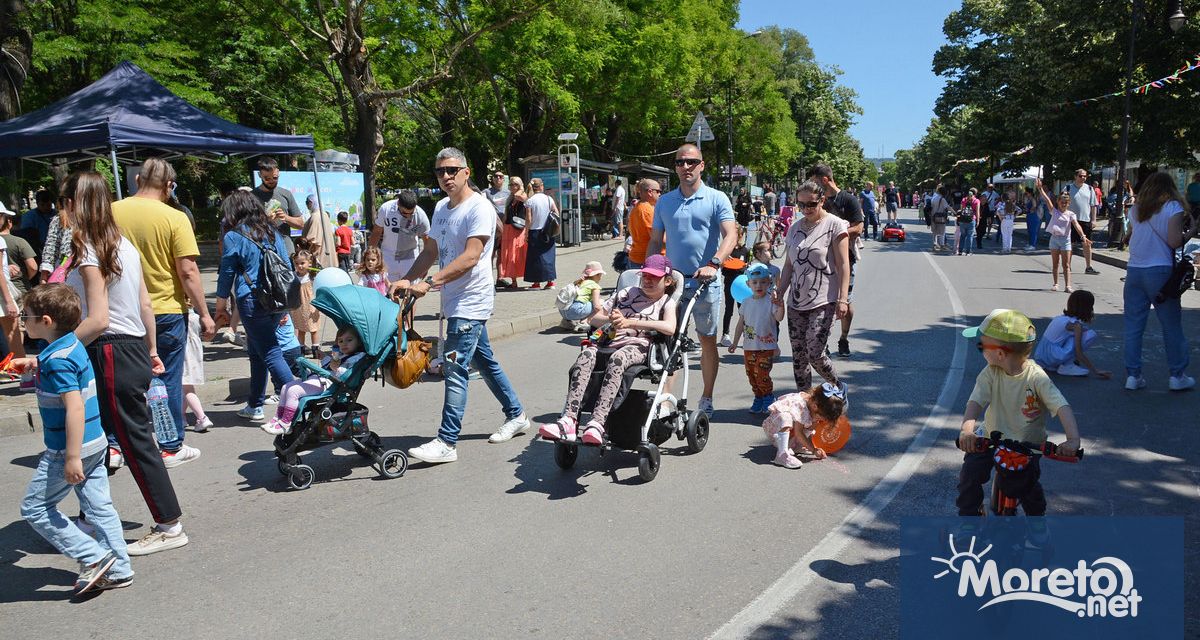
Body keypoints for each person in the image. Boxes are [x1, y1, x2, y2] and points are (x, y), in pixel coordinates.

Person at [58, 171, 192, 556]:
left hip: (110, 348)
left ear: (72, 204)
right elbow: (144, 305)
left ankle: (169, 524)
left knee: (132, 442)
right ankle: (92, 513)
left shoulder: (89, 248)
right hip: (129, 346)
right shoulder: (122, 245)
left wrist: (58, 350)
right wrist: (150, 350)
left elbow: (99, 318)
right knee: (101, 440)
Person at [388, 147, 529, 461]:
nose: (446, 176)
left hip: (471, 302)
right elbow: (430, 252)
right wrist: (408, 279)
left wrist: (429, 283)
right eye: (440, 171)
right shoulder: (440, 207)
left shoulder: (479, 207)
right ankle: (517, 415)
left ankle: (446, 442)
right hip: (454, 300)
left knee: (453, 368)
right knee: (487, 362)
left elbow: (471, 256)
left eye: (452, 170)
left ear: (466, 172)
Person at [14, 284, 134, 593]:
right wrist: (33, 364)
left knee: (35, 509)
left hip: (70, 448)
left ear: (46, 321)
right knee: (98, 507)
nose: (22, 320)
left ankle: (93, 557)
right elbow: (66, 374)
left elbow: (75, 406)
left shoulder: (56, 360)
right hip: (96, 442)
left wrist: (71, 456)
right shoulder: (68, 347)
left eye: (26, 316)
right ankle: (119, 568)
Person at [111, 158, 213, 467]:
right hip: (166, 309)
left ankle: (115, 446)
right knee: (167, 377)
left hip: (120, 310)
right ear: (170, 186)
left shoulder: (112, 212)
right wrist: (205, 313)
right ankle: (170, 446)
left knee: (121, 381)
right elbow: (188, 271)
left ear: (138, 178)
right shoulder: (175, 217)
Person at [956, 309, 1082, 523]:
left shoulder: (1037, 378)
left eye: (982, 345)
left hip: (1027, 446)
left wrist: (1072, 440)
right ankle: (970, 519)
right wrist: (967, 431)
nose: (981, 349)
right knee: (969, 476)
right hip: (990, 439)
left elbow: (1061, 406)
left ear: (1000, 353)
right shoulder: (990, 373)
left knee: (1026, 486)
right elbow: (975, 402)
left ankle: (1037, 522)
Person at [538, 254, 677, 443]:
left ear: (667, 280)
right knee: (586, 354)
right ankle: (569, 420)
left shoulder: (666, 302)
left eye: (654, 277)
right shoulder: (626, 293)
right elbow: (594, 319)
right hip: (609, 341)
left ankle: (597, 422)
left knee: (618, 358)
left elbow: (670, 328)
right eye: (645, 275)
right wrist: (611, 318)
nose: (648, 280)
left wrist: (631, 322)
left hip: (639, 345)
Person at [646, 143, 739, 417]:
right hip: (673, 282)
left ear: (702, 165)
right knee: (670, 340)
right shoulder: (664, 201)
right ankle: (665, 400)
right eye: (680, 162)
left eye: (691, 162)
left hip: (705, 283)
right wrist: (649, 271)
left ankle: (706, 398)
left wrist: (714, 263)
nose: (685, 167)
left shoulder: (716, 198)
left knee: (707, 340)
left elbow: (730, 236)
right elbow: (654, 241)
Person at [215, 190, 296, 422]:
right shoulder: (273, 232)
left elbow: (227, 274)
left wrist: (220, 307)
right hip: (275, 299)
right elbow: (286, 269)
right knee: (256, 352)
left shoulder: (233, 236)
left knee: (269, 351)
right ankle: (255, 404)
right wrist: (284, 308)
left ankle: (299, 399)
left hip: (251, 300)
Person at [1122, 171, 1195, 392]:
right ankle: (1177, 375)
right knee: (1171, 325)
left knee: (1133, 326)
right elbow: (1174, 242)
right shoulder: (1172, 207)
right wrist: (1192, 231)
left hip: (1134, 270)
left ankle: (1133, 376)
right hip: (1160, 271)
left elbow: (1133, 235)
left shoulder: (1137, 209)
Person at [777, 180, 850, 392]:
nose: (805, 209)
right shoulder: (795, 229)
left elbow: (844, 264)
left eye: (810, 204)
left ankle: (838, 387)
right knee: (799, 356)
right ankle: (804, 402)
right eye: (800, 205)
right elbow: (789, 265)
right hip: (796, 302)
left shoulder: (835, 225)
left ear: (822, 201)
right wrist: (780, 291)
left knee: (815, 352)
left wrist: (843, 298)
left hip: (823, 300)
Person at [262, 326, 366, 435]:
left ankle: (285, 424)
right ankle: (278, 418)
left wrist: (336, 366)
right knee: (285, 387)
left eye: (349, 340)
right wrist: (325, 357)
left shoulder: (357, 357)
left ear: (358, 342)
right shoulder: (342, 354)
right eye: (341, 341)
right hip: (322, 378)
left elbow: (342, 373)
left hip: (331, 383)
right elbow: (330, 366)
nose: (344, 344)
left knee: (293, 391)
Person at [808, 163, 863, 358]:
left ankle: (844, 338)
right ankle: (823, 344)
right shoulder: (819, 201)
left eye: (815, 181)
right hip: (821, 262)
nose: (813, 186)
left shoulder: (848, 199)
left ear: (824, 180)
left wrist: (834, 234)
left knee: (844, 303)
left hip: (844, 260)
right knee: (823, 303)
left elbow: (858, 228)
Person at [727, 263, 785, 414]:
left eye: (763, 282)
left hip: (766, 346)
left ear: (769, 283)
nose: (759, 285)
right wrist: (734, 342)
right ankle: (758, 397)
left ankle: (768, 397)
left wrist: (781, 305)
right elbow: (741, 323)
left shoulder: (770, 301)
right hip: (749, 346)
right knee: (752, 375)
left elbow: (779, 318)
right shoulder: (746, 302)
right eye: (755, 282)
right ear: (748, 284)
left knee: (762, 374)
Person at [761, 382, 847, 469]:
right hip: (774, 428)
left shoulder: (813, 404)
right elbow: (799, 432)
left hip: (792, 431)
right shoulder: (801, 406)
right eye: (821, 416)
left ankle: (796, 445)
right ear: (815, 406)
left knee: (815, 421)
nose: (822, 420)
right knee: (785, 418)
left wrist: (811, 445)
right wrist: (813, 450)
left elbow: (806, 427)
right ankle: (782, 455)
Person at [1034, 290, 1109, 379]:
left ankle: (1056, 364)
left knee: (1083, 332)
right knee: (1091, 335)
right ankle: (1067, 366)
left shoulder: (1061, 318)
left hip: (1041, 356)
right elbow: (1079, 352)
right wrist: (1096, 370)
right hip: (1051, 357)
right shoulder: (1076, 325)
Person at [1035, 178, 1089, 292]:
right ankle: (1055, 284)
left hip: (1065, 240)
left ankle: (1068, 286)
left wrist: (1083, 236)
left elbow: (1076, 225)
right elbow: (1047, 199)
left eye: (1066, 202)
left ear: (1069, 203)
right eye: (1061, 202)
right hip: (1054, 239)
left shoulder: (1071, 214)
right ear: (1058, 202)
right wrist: (1040, 188)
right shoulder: (1054, 211)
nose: (1063, 204)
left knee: (1066, 264)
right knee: (1055, 264)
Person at [369, 190, 430, 281]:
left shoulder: (421, 215)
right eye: (405, 213)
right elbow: (377, 232)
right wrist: (370, 255)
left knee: (409, 292)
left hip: (410, 259)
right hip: (388, 257)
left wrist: (425, 265)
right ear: (398, 204)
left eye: (411, 213)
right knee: (387, 291)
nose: (409, 216)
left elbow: (428, 242)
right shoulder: (385, 209)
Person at [1, 206, 36, 361]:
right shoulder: (8, 241)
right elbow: (33, 266)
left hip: (6, 291)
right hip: (7, 292)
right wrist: (9, 300)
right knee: (14, 333)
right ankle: (22, 372)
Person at [251, 156, 304, 255]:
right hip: (261, 249)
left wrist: (285, 217)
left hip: (286, 249)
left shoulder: (286, 194)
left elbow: (301, 224)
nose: (271, 181)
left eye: (275, 177)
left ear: (278, 172)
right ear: (259, 175)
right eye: (267, 178)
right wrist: (265, 220)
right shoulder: (251, 196)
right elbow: (246, 226)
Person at [523, 177, 559, 289]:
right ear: (542, 186)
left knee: (535, 258)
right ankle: (550, 282)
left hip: (535, 232)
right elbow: (556, 212)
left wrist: (526, 232)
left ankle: (536, 283)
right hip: (548, 231)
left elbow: (528, 218)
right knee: (549, 257)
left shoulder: (530, 201)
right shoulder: (549, 199)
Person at [182, 308, 212, 433]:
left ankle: (201, 417)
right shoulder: (193, 316)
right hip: (192, 351)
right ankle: (181, 416)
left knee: (186, 386)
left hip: (183, 352)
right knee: (185, 385)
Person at [719, 232, 751, 346]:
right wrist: (724, 263)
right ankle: (725, 334)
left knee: (743, 311)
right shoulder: (727, 250)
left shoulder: (745, 250)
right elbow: (722, 270)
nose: (737, 237)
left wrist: (746, 266)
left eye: (739, 234)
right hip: (729, 283)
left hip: (742, 285)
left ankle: (747, 334)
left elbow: (747, 266)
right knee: (729, 309)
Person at [497, 176, 528, 288]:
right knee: (509, 256)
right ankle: (513, 281)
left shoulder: (522, 195)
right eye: (510, 185)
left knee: (518, 255)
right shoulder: (510, 199)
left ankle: (525, 277)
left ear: (520, 185)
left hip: (519, 230)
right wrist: (502, 230)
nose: (513, 187)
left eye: (515, 184)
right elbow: (506, 215)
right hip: (509, 228)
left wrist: (521, 188)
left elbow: (519, 196)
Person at [1067, 169, 1100, 275]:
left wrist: (1094, 220)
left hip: (1085, 220)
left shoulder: (1090, 189)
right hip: (1071, 220)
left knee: (1087, 244)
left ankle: (1088, 267)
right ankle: (1068, 266)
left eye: (1085, 176)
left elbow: (1093, 205)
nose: (1083, 178)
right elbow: (1062, 203)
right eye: (1081, 176)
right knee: (1069, 244)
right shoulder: (1068, 188)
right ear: (1075, 176)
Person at [291, 249, 320, 355]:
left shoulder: (312, 276)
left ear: (310, 263)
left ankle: (315, 349)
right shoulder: (293, 276)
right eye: (297, 263)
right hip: (298, 306)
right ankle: (301, 348)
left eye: (303, 263)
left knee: (313, 328)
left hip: (311, 305)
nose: (300, 266)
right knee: (300, 329)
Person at [559, 261, 604, 329]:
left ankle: (566, 322)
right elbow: (597, 307)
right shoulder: (594, 286)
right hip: (576, 311)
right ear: (597, 275)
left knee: (578, 301)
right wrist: (604, 313)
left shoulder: (578, 282)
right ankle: (584, 322)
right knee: (601, 303)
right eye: (600, 275)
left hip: (563, 310)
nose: (601, 278)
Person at [627, 178, 661, 269]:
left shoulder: (637, 207)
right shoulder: (647, 210)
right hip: (646, 260)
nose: (660, 194)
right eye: (658, 191)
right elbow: (658, 237)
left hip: (636, 257)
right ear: (650, 192)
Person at [19, 190, 56, 254]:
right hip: (37, 250)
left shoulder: (57, 214)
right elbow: (26, 236)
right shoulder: (29, 217)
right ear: (37, 203)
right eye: (42, 205)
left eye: (48, 205)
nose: (45, 207)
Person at [37, 213, 72, 281]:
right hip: (66, 271)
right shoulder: (60, 219)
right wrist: (44, 274)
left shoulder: (94, 215)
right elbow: (51, 246)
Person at [956, 188, 980, 255]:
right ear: (975, 193)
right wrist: (978, 221)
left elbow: (961, 210)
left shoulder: (964, 200)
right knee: (970, 236)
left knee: (963, 236)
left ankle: (960, 251)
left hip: (962, 220)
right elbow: (977, 212)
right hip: (971, 220)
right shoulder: (976, 201)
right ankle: (968, 252)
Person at [929, 185, 951, 251]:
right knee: (942, 232)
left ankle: (934, 245)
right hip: (941, 217)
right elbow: (947, 207)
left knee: (934, 232)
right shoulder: (942, 199)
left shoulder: (933, 198)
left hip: (933, 216)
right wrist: (955, 213)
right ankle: (942, 245)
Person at [1023, 187, 1041, 251]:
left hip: (1033, 216)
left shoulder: (1033, 199)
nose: (1026, 194)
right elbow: (1025, 205)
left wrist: (1031, 210)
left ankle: (1033, 245)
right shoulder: (1028, 199)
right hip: (1029, 216)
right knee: (1030, 231)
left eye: (1026, 193)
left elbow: (1034, 206)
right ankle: (1030, 243)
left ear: (1030, 193)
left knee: (1033, 231)